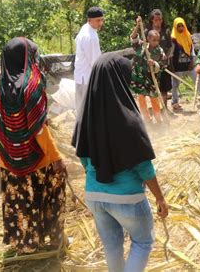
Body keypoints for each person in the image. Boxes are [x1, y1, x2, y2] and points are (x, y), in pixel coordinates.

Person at [72, 52, 168, 272]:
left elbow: (84, 159)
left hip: (94, 195)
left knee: (112, 247)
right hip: (127, 198)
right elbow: (143, 166)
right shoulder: (128, 119)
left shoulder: (84, 116)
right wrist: (160, 198)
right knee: (143, 242)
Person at [0, 37, 66, 255]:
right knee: (48, 194)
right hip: (39, 158)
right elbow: (40, 130)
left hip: (10, 159)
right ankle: (53, 240)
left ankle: (26, 243)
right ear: (27, 58)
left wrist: (4, 152)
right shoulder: (33, 85)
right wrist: (57, 157)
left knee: (20, 200)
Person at [130, 17, 166, 125]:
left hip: (152, 80)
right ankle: (147, 121)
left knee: (154, 99)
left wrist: (154, 64)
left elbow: (164, 65)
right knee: (141, 99)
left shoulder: (160, 51)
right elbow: (133, 37)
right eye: (154, 40)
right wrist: (137, 25)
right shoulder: (141, 46)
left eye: (157, 40)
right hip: (139, 78)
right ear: (148, 39)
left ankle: (159, 120)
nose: (156, 42)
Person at [170, 17, 200, 112]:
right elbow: (170, 54)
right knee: (175, 85)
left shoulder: (188, 35)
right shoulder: (173, 39)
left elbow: (192, 51)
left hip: (189, 65)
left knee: (198, 79)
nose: (180, 28)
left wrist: (192, 62)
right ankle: (175, 102)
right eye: (178, 26)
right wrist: (172, 67)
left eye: (182, 26)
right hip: (177, 66)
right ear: (175, 27)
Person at [74, 6, 104, 117]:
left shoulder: (85, 28)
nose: (100, 23)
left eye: (101, 19)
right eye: (98, 20)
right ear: (89, 20)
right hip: (87, 77)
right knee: (88, 109)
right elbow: (95, 62)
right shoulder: (91, 37)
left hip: (80, 75)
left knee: (81, 108)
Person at [146, 9, 172, 110]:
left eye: (160, 20)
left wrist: (167, 56)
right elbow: (143, 45)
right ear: (152, 20)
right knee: (152, 88)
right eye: (156, 20)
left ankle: (164, 108)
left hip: (163, 64)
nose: (158, 22)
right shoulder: (147, 32)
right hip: (150, 65)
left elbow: (170, 46)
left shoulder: (166, 31)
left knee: (164, 88)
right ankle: (155, 108)